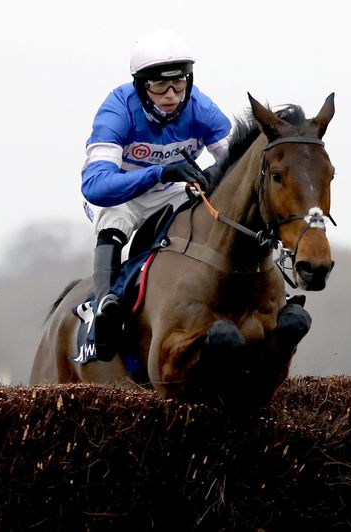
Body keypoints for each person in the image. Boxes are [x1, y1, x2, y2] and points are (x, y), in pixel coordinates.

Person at [81, 29, 233, 361]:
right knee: (115, 216)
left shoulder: (202, 109)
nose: (171, 95)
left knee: (204, 210)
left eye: (179, 84)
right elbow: (95, 186)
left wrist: (209, 176)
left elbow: (237, 167)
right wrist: (160, 172)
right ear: (140, 86)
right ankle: (105, 306)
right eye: (159, 86)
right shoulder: (118, 109)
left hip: (168, 191)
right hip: (120, 192)